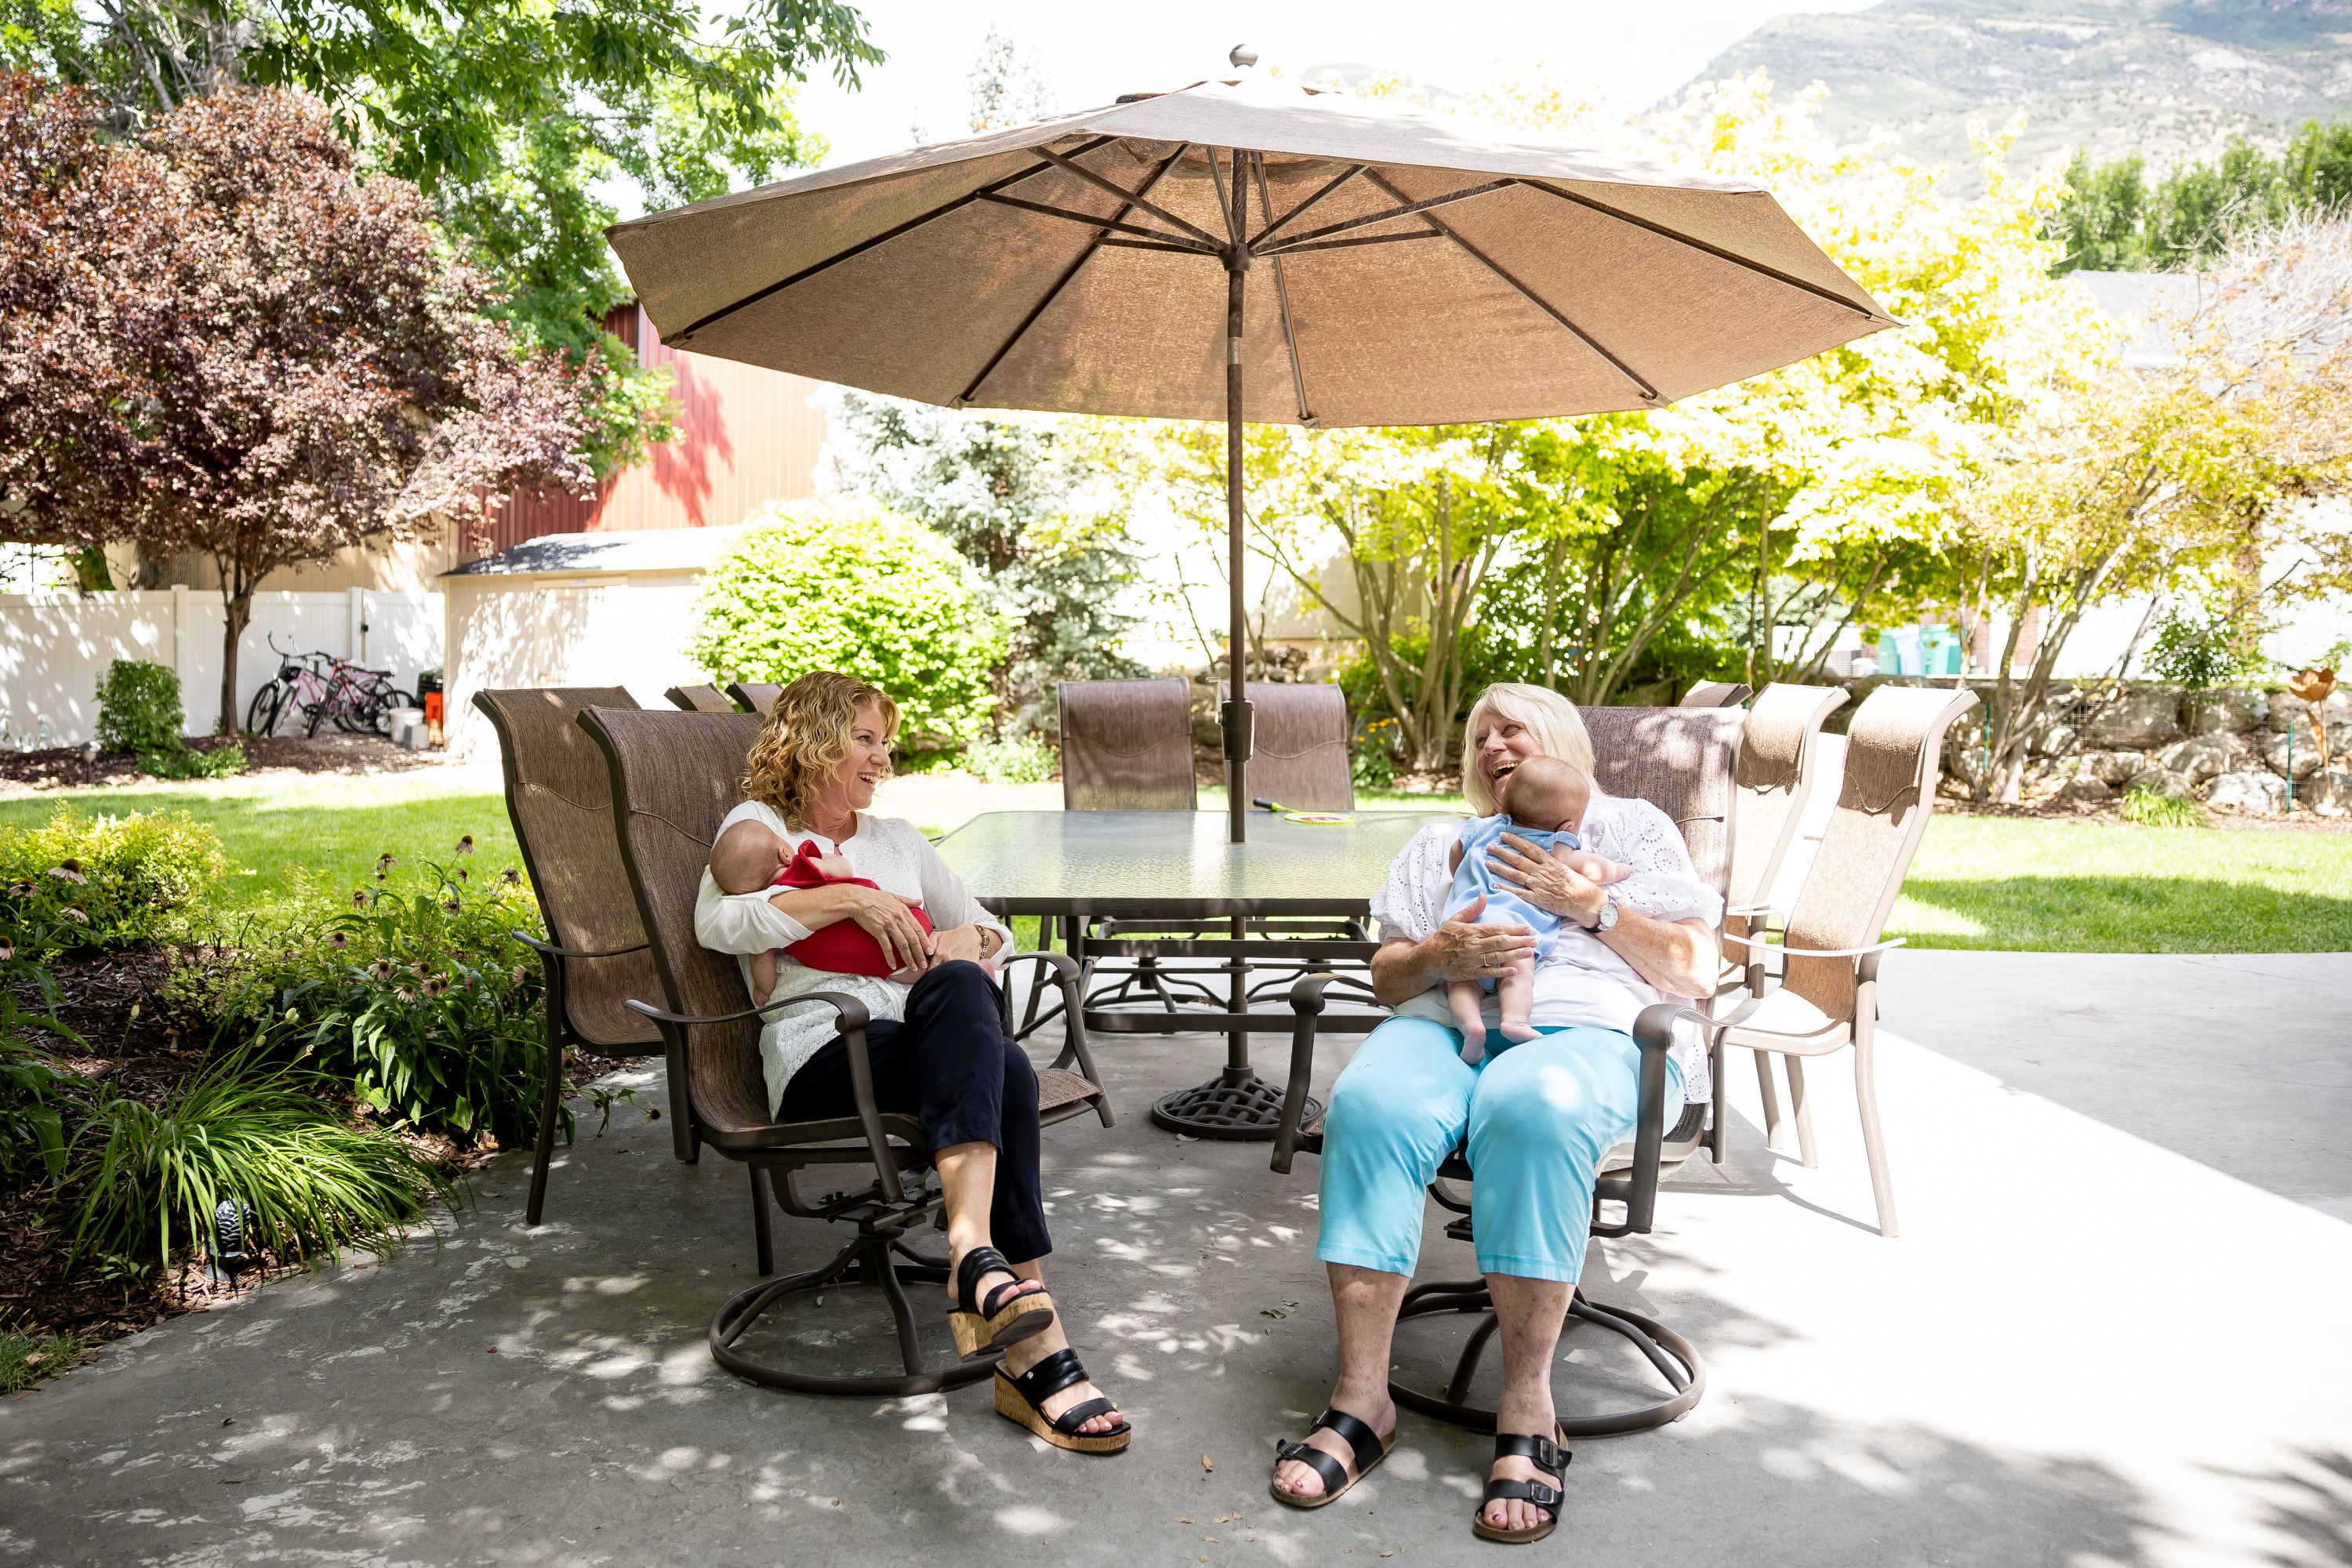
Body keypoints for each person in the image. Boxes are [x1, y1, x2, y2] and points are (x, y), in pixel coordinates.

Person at [1268, 682, 1721, 1542]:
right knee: (1369, 1101)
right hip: (1452, 1016)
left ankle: (1529, 1407)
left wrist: (1593, 904)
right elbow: (1389, 973)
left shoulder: (1631, 829)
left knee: (1530, 1103)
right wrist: (1438, 952)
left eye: (1511, 729)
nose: (1492, 746)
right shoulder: (1445, 841)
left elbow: (1697, 968)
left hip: (1590, 1026)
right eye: (1479, 735)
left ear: (1557, 740)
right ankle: (1363, 1400)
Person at [694, 670, 1128, 1454]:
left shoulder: (898, 840)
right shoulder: (763, 826)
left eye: (885, 743)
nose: (880, 759)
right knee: (1011, 1072)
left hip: (924, 1043)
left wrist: (976, 941)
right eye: (864, 738)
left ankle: (973, 1254)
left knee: (970, 999)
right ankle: (1033, 1344)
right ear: (812, 739)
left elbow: (992, 927)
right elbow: (718, 920)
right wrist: (849, 899)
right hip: (829, 1051)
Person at [1443, 756, 1714, 1061]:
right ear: (1568, 826)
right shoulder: (1553, 845)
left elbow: (1457, 852)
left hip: (1471, 929)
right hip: (1515, 936)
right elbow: (1593, 869)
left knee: (1462, 983)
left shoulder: (1482, 828)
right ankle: (1515, 1020)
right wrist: (1620, 870)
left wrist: (1464, 875)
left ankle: (1472, 1028)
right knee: (1518, 975)